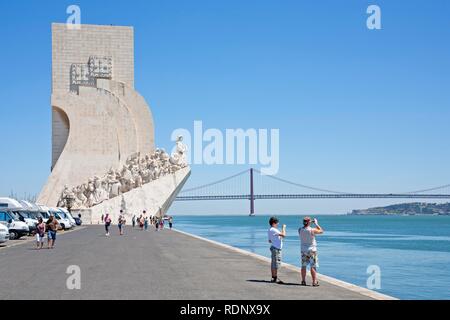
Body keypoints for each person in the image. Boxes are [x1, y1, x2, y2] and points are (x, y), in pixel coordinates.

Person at [299, 217, 324, 287]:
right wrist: (316, 224)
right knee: (313, 266)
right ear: (309, 222)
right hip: (312, 250)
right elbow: (321, 231)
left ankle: (303, 280)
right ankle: (314, 282)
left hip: (303, 250)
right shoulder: (312, 230)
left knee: (303, 265)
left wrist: (310, 223)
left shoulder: (300, 230)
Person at [268, 216, 286, 284]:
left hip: (273, 247)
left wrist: (276, 238)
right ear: (274, 223)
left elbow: (269, 241)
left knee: (273, 263)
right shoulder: (274, 229)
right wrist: (283, 227)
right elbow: (284, 235)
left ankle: (274, 277)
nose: (278, 224)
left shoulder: (270, 230)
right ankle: (275, 277)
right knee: (276, 264)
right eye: (277, 223)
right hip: (276, 249)